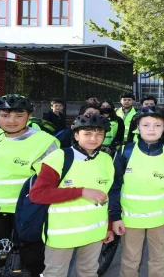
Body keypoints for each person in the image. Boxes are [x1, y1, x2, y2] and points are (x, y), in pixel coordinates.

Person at [0, 94, 60, 276]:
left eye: (19, 115)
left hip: (27, 211)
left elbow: (51, 183)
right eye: (5, 115)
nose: (11, 120)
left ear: (29, 116)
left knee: (34, 259)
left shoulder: (45, 142)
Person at [29, 113, 114, 277]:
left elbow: (106, 196)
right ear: (76, 135)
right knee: (55, 273)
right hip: (62, 234)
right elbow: (38, 194)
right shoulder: (60, 157)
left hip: (94, 231)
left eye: (99, 134)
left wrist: (108, 226)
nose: (93, 139)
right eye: (87, 133)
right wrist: (80, 191)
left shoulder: (105, 159)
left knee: (89, 272)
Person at [110, 108, 164, 277]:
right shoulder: (125, 152)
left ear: (163, 128)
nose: (151, 129)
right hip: (130, 219)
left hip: (161, 219)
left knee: (159, 260)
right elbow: (114, 187)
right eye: (146, 125)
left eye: (157, 125)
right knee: (130, 260)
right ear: (138, 126)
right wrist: (115, 217)